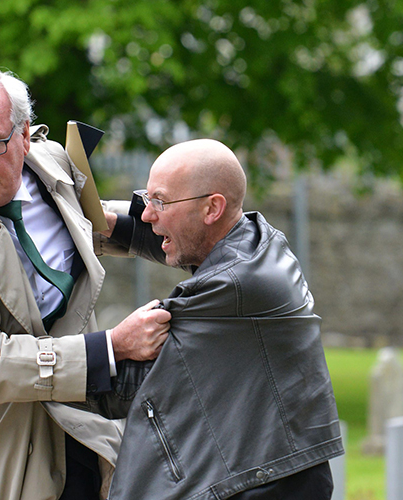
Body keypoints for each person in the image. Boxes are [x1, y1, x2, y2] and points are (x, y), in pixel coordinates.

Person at [0, 62, 170, 500]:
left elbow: (95, 220)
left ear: (24, 136)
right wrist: (111, 349)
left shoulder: (49, 162)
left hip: (79, 430)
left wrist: (191, 232)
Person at [93, 139, 344, 499]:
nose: (148, 215)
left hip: (265, 485)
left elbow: (129, 381)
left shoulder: (231, 284)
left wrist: (32, 361)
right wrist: (109, 223)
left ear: (213, 207)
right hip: (277, 473)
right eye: (147, 200)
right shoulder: (259, 244)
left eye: (160, 202)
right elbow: (187, 243)